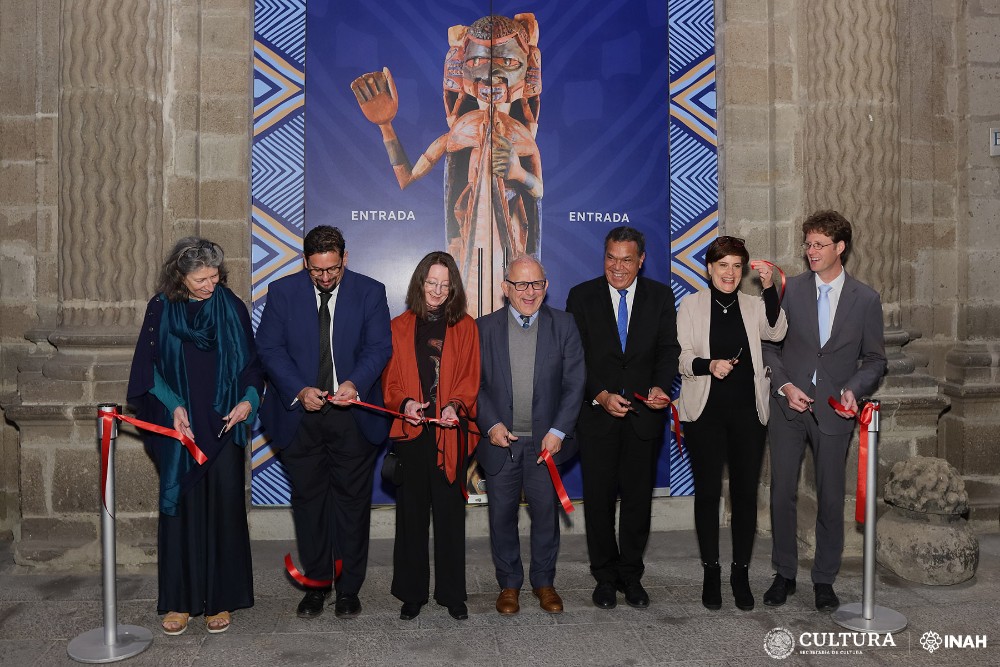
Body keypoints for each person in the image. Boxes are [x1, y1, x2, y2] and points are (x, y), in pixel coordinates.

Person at [127, 237, 263, 636]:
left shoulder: (231, 306)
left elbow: (254, 366)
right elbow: (146, 369)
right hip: (180, 430)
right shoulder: (160, 309)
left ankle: (220, 600)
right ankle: (181, 602)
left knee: (223, 511)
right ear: (180, 276)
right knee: (181, 514)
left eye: (215, 277)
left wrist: (248, 402)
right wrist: (173, 406)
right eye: (201, 278)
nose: (209, 284)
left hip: (222, 426)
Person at [256, 225, 392, 619]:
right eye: (317, 270)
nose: (326, 277)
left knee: (351, 506)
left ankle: (349, 590)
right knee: (310, 504)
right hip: (300, 417)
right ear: (305, 263)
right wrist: (299, 389)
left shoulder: (370, 291)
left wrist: (355, 381)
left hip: (352, 417)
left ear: (344, 258)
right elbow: (269, 348)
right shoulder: (283, 293)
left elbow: (379, 346)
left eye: (332, 268)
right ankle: (315, 587)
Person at [761, 210, 886, 612]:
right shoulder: (789, 290)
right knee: (782, 493)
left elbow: (875, 360)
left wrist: (853, 390)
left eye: (818, 245)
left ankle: (824, 580)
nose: (810, 251)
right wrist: (784, 385)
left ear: (840, 248)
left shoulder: (865, 299)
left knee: (831, 498)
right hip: (789, 406)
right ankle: (784, 574)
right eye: (807, 244)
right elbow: (769, 346)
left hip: (835, 412)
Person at [566, 226, 680, 610]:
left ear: (641, 260)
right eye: (611, 258)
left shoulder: (661, 298)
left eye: (626, 259)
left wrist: (662, 387)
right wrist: (599, 393)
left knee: (637, 503)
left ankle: (631, 575)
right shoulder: (581, 297)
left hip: (644, 418)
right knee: (598, 501)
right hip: (597, 417)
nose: (617, 267)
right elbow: (575, 357)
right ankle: (604, 576)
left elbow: (668, 350)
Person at [675, 236, 787, 611]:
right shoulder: (690, 305)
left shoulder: (755, 305)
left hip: (748, 415)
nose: (730, 273)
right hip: (704, 414)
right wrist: (711, 365)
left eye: (737, 266)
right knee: (707, 494)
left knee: (744, 495)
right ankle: (711, 571)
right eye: (723, 265)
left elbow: (776, 331)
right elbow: (683, 359)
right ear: (709, 268)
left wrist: (769, 287)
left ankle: (740, 572)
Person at [476, 255, 585, 616]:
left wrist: (558, 431)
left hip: (545, 446)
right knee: (501, 517)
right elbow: (473, 386)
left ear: (546, 286)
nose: (529, 291)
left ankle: (543, 582)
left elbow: (574, 384)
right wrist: (490, 424)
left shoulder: (565, 325)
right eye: (520, 284)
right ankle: (509, 584)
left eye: (536, 283)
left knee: (545, 517)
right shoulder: (483, 328)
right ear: (506, 288)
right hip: (500, 443)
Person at [381, 251, 480, 621]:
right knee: (411, 516)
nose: (437, 290)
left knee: (451, 516)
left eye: (444, 284)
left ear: (452, 287)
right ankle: (412, 593)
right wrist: (405, 402)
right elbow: (389, 384)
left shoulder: (466, 327)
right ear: (420, 283)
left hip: (450, 435)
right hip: (411, 433)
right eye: (431, 282)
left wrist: (455, 405)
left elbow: (471, 379)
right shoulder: (398, 327)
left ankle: (453, 593)